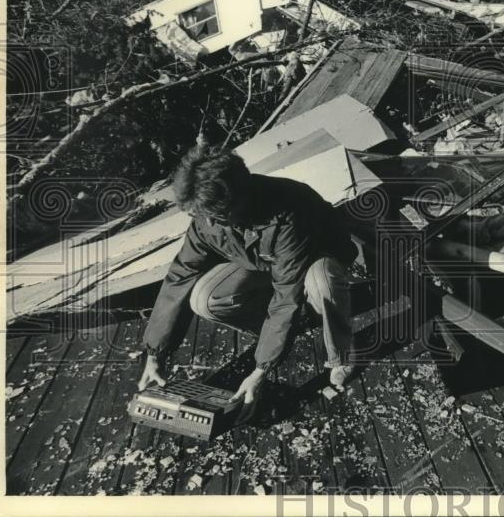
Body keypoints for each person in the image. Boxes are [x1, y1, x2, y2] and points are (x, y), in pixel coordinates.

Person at [137, 143, 356, 423]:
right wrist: (156, 353)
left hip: (315, 257)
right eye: (199, 216)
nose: (205, 222)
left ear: (236, 202)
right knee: (204, 298)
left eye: (213, 216)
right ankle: (283, 330)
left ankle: (342, 354)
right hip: (263, 262)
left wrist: (260, 371)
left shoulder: (289, 210)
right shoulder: (207, 217)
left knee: (322, 283)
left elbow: (286, 292)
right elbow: (181, 273)